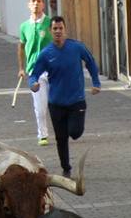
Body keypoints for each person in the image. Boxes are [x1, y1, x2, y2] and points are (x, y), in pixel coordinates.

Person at [29, 17, 100, 178]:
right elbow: (34, 74)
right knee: (61, 138)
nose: (58, 31)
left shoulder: (76, 47)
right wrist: (33, 84)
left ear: (65, 30)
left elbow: (90, 61)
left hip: (76, 100)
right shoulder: (46, 54)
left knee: (75, 132)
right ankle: (66, 167)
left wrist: (96, 82)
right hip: (56, 102)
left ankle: (72, 129)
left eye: (61, 28)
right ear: (50, 31)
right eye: (55, 29)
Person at [18, 0, 54, 147]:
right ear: (28, 5)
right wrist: (21, 68)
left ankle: (61, 130)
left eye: (38, 1)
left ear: (43, 4)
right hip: (34, 71)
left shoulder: (50, 23)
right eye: (33, 1)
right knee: (40, 107)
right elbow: (21, 46)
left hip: (53, 69)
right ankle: (42, 134)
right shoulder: (24, 26)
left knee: (57, 103)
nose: (36, 4)